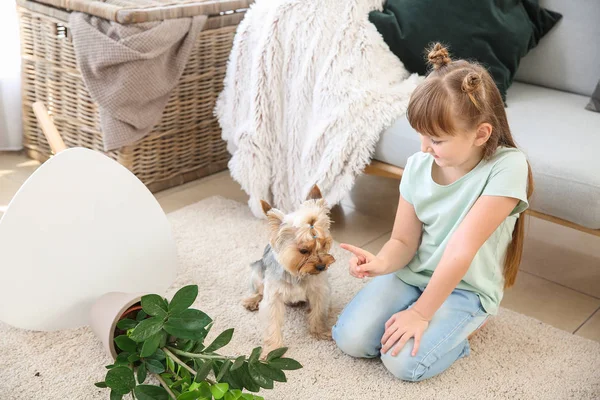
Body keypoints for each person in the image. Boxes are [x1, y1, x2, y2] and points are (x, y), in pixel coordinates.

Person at [331, 43, 534, 382]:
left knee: (404, 364)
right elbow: (402, 240)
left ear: (481, 134)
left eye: (436, 140)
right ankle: (426, 317)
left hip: (466, 287)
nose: (424, 148)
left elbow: (461, 250)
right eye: (421, 137)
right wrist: (381, 263)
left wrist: (422, 313)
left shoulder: (508, 167)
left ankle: (465, 328)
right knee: (350, 339)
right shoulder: (418, 165)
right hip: (415, 274)